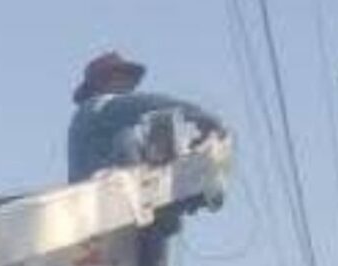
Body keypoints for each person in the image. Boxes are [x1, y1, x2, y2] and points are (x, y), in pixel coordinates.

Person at [66, 50, 225, 181]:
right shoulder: (100, 105)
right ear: (104, 81)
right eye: (122, 77)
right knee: (134, 134)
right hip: (102, 187)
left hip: (92, 189)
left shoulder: (91, 116)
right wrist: (199, 116)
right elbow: (148, 103)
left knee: (139, 132)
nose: (129, 85)